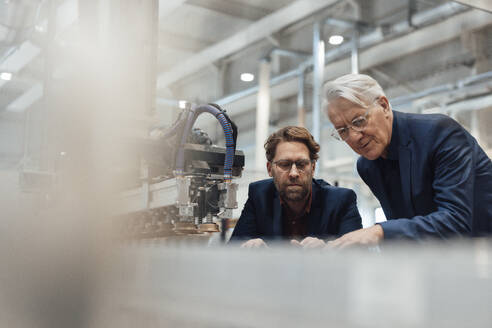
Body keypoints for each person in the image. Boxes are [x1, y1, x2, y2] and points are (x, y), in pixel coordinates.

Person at [323, 73, 492, 248]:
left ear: (384, 106)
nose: (354, 136)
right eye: (343, 131)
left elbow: (456, 222)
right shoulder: (367, 166)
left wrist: (378, 232)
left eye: (359, 121)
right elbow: (405, 229)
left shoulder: (439, 133)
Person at [229, 126, 362, 248]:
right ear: (270, 169)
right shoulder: (259, 195)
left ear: (313, 167)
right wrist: (248, 247)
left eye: (301, 164)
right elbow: (232, 250)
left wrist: (326, 249)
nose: (294, 173)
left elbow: (358, 254)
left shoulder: (341, 200)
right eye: (284, 164)